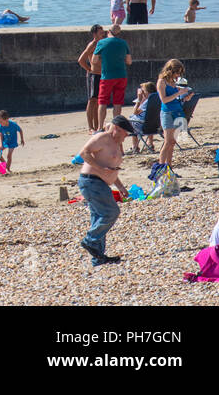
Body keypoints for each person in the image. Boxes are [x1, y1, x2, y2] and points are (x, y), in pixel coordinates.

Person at [77, 117, 134, 265]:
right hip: (91, 181)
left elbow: (111, 169)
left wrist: (120, 187)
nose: (126, 136)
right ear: (116, 129)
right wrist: (100, 168)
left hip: (100, 183)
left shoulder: (116, 143)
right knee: (111, 212)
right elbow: (84, 153)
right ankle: (89, 240)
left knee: (98, 217)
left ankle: (98, 257)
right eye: (125, 133)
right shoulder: (102, 137)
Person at [155, 58, 192, 170]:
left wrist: (185, 97)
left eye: (180, 73)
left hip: (177, 111)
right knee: (167, 142)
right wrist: (179, 93)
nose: (178, 75)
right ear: (170, 70)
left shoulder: (174, 82)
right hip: (167, 113)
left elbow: (177, 99)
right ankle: (161, 168)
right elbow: (164, 100)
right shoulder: (162, 82)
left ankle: (169, 167)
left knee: (173, 142)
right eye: (177, 72)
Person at [93, 23, 131, 121]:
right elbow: (129, 61)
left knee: (102, 102)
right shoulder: (124, 43)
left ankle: (100, 127)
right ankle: (115, 125)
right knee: (117, 103)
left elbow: (94, 60)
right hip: (121, 75)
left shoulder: (101, 43)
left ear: (108, 32)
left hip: (107, 76)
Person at [77, 24, 106, 132]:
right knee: (92, 100)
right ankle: (90, 127)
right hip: (93, 75)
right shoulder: (92, 44)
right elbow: (81, 60)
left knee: (99, 101)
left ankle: (97, 125)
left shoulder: (103, 43)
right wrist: (89, 70)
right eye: (100, 33)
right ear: (94, 34)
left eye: (103, 32)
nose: (103, 34)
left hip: (102, 75)